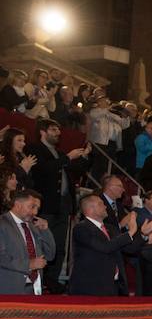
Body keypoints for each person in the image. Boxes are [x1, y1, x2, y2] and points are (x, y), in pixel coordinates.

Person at [27, 119, 92, 290]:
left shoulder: (59, 152)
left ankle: (53, 281)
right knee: (42, 242)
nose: (58, 133)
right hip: (45, 204)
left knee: (59, 245)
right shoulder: (34, 149)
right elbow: (43, 169)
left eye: (58, 129)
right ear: (43, 131)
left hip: (63, 204)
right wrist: (68, 157)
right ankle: (41, 280)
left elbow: (76, 171)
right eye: (54, 129)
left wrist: (83, 157)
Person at [68, 196, 152, 296]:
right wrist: (130, 232)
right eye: (101, 204)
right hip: (90, 288)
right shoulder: (81, 228)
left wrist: (143, 234)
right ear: (90, 209)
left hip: (114, 287)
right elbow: (104, 247)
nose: (105, 206)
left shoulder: (111, 228)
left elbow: (129, 249)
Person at [0, 190, 55, 295]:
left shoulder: (34, 226)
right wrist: (29, 264)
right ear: (18, 205)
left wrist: (45, 231)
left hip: (34, 289)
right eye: (31, 207)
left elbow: (50, 255)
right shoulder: (2, 223)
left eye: (37, 208)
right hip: (9, 290)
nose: (35, 212)